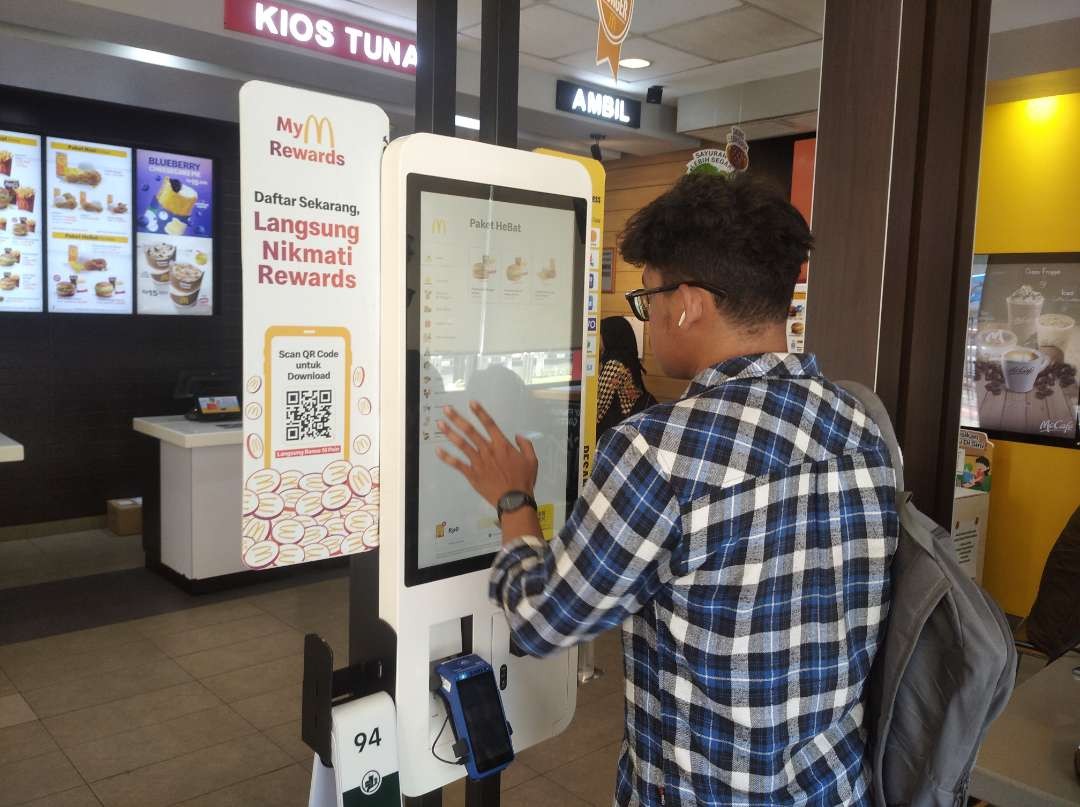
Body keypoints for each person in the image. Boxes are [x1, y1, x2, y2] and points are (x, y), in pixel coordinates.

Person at [436, 172, 899, 805]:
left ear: (686, 302)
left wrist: (513, 501)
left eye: (647, 299)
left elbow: (542, 621)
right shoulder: (861, 428)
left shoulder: (659, 452)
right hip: (834, 790)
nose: (648, 319)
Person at [597, 316, 656, 435]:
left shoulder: (613, 365)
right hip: (633, 422)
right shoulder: (627, 358)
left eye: (600, 334)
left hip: (620, 427)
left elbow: (598, 408)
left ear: (610, 336)